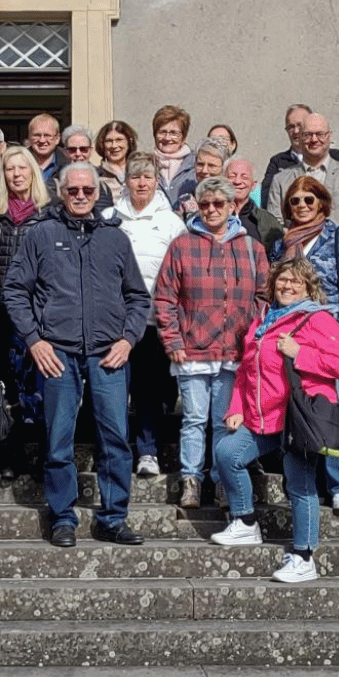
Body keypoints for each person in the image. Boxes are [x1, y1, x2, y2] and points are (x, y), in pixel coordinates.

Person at [3, 161, 150, 548]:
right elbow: (15, 290)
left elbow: (137, 296)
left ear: (98, 192)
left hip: (108, 353)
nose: (81, 196)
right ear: (61, 193)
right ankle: (63, 516)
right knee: (58, 438)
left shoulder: (116, 239)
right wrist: (34, 340)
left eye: (88, 190)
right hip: (58, 352)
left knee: (115, 437)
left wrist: (128, 339)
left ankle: (113, 517)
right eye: (74, 191)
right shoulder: (41, 235)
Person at [207, 258, 339, 585]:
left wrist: (299, 352)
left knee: (299, 485)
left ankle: (304, 557)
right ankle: (245, 522)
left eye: (295, 282)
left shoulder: (317, 318)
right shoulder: (263, 321)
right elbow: (245, 371)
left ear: (307, 287)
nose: (287, 286)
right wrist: (236, 408)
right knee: (228, 454)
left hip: (299, 418)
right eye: (282, 281)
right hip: (264, 417)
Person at [153, 176, 268, 509]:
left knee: (224, 421)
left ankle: (220, 482)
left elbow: (264, 296)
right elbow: (165, 297)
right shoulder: (182, 245)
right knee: (193, 419)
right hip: (191, 350)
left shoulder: (251, 247)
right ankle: (191, 481)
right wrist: (172, 339)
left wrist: (252, 335)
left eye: (219, 204)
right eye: (205, 204)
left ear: (232, 206)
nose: (212, 210)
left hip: (234, 351)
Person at [270, 175, 339, 513]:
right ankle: (301, 483)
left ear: (322, 202)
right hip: (288, 339)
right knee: (295, 410)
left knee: (333, 409)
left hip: (328, 337)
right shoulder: (281, 246)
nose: (302, 206)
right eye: (295, 201)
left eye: (309, 200)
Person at [106, 152, 185, 480]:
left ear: (156, 182)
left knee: (149, 391)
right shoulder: (110, 217)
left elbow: (181, 274)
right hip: (114, 323)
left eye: (148, 177)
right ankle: (114, 450)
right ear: (126, 181)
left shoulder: (170, 222)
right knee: (113, 390)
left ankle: (148, 451)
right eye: (135, 177)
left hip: (153, 321)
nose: (141, 182)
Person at [0, 146, 52, 476]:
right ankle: (11, 457)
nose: (16, 174)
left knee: (37, 390)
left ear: (33, 173)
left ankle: (40, 454)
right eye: (9, 169)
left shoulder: (48, 216)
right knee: (9, 389)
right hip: (2, 318)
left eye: (22, 168)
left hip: (38, 320)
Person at [266, 113, 339, 239]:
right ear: (299, 137)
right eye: (307, 135)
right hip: (295, 254)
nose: (314, 140)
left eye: (320, 134)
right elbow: (275, 224)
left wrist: (332, 247)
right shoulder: (281, 180)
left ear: (330, 135)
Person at [261, 103, 339, 195]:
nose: (296, 131)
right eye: (291, 127)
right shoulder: (278, 162)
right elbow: (268, 197)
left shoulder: (334, 156)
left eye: (300, 125)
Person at [225, 157, 283, 246]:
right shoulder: (211, 215)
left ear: (253, 185)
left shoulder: (268, 221)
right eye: (232, 176)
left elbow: (277, 256)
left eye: (244, 177)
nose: (237, 181)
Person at [172, 137, 230, 212]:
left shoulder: (232, 201)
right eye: (200, 164)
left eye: (211, 166)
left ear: (224, 169)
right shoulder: (184, 203)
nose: (204, 170)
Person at [149, 105, 193, 191]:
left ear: (183, 137)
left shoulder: (195, 164)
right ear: (154, 135)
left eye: (174, 133)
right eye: (162, 132)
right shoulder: (146, 163)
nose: (167, 138)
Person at [96, 119, 137, 202]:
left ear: (129, 142)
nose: (114, 146)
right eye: (109, 141)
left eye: (119, 140)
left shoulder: (139, 171)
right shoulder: (97, 176)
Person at [24, 112, 63, 185]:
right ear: (29, 138)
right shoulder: (18, 163)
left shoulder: (68, 165)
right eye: (37, 135)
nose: (42, 140)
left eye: (47, 135)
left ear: (57, 139)